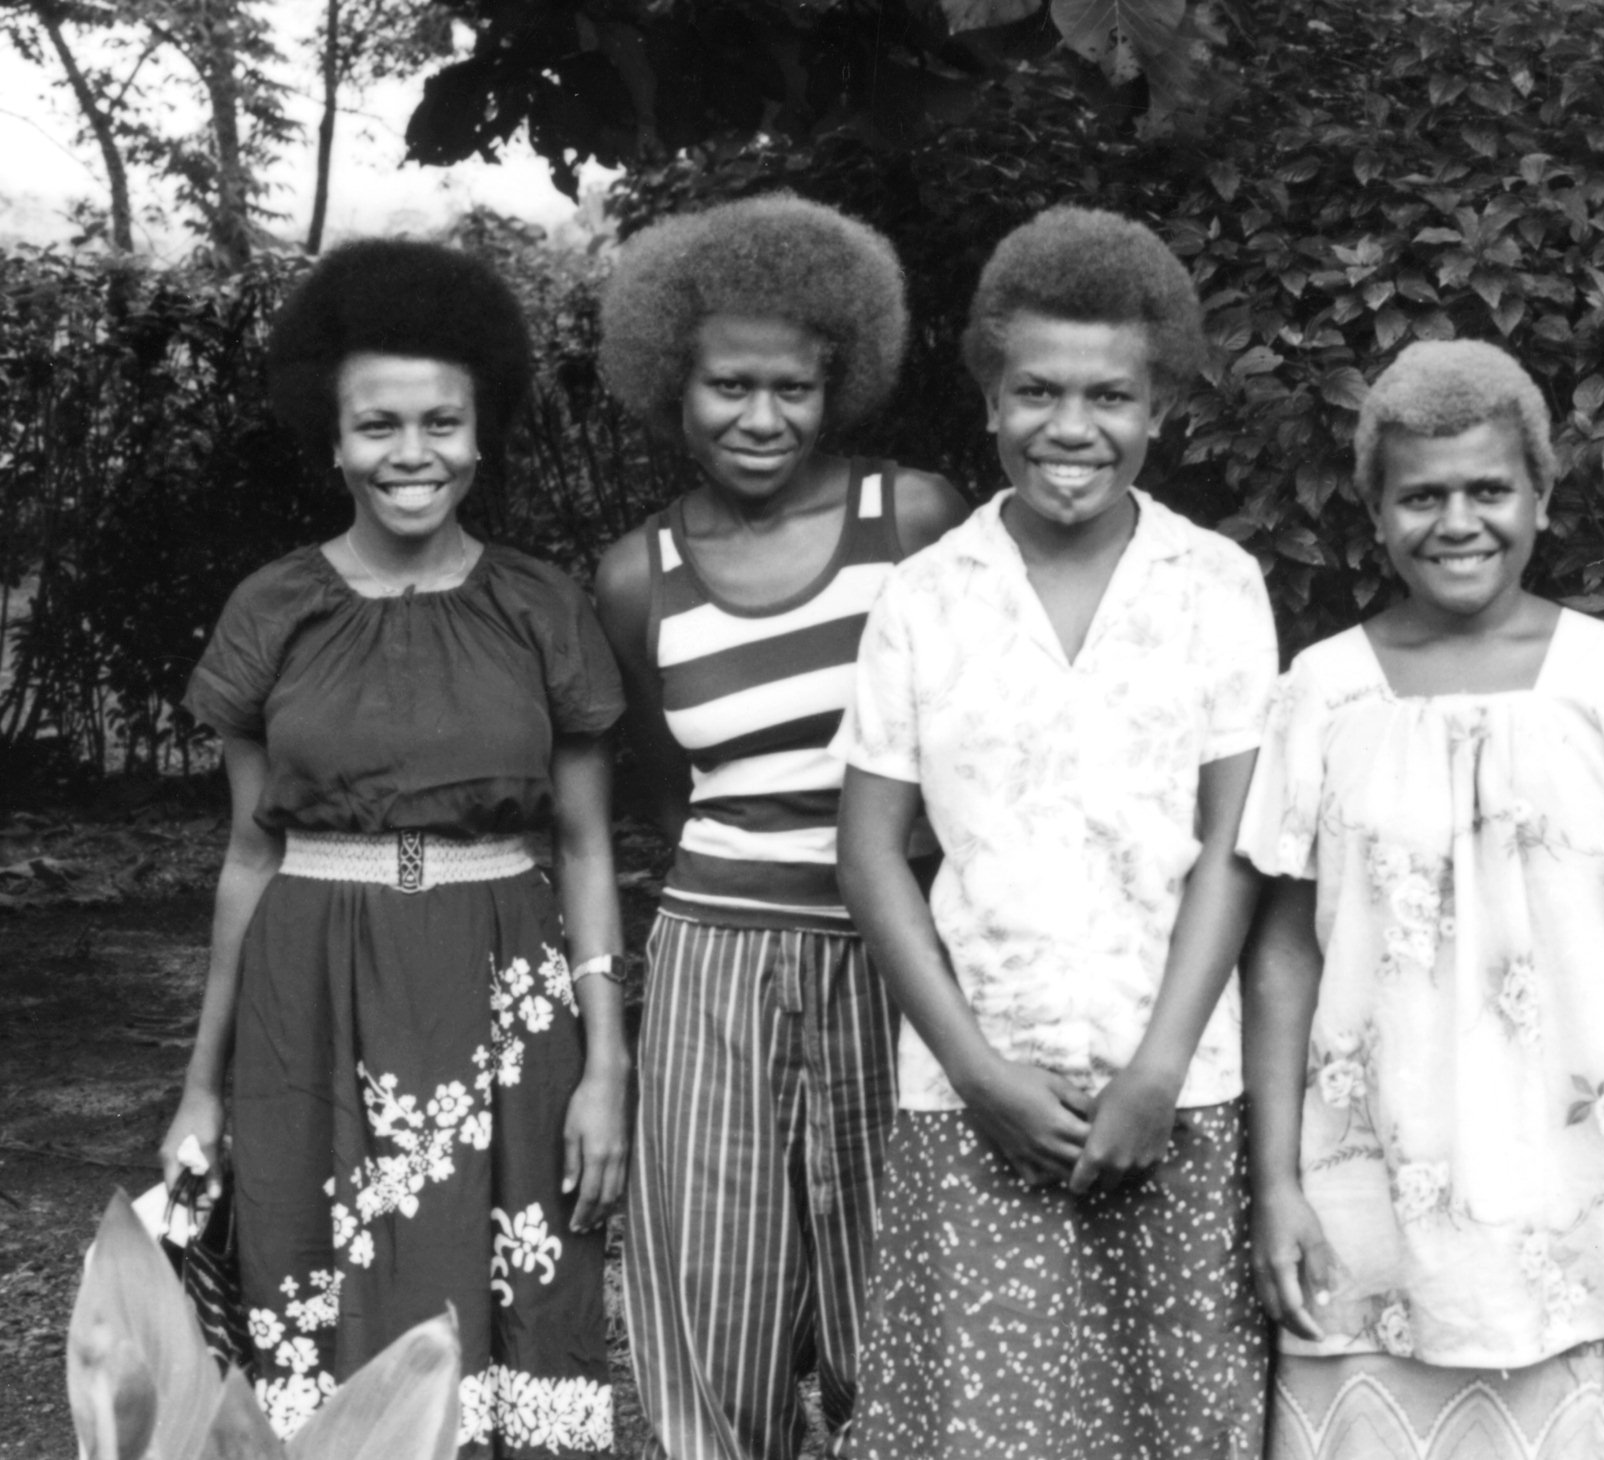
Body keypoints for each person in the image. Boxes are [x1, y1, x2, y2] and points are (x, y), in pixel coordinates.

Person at [1236, 340, 1604, 1460]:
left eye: (1488, 490)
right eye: (1421, 496)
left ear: (1540, 496)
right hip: (1365, 1190)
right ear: (1375, 512)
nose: (1457, 521)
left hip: (1584, 1191)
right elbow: (1280, 958)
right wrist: (1274, 1182)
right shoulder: (1322, 692)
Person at [160, 240, 628, 1455]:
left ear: (481, 435)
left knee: (512, 1309)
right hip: (308, 999)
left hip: (502, 995)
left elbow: (584, 848)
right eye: (378, 424)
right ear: (333, 439)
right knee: (308, 1295)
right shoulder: (275, 607)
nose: (410, 451)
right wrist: (201, 1088)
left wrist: (607, 1062)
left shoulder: (540, 606)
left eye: (440, 422)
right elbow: (249, 856)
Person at [833, 205, 1277, 1458]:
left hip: (1175, 1087)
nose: (1070, 427)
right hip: (977, 1094)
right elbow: (868, 852)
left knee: (1175, 1420)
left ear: (1158, 407)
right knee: (983, 1428)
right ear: (989, 397)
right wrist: (976, 1071)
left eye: (1109, 395)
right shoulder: (924, 598)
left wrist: (1157, 1070)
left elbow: (1233, 843)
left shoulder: (1215, 584)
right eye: (1035, 390)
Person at [591, 194, 967, 1460]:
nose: (760, 417)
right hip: (712, 963)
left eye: (791, 388)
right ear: (673, 385)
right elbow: (670, 787)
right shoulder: (636, 575)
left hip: (895, 956)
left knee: (895, 1301)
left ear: (836, 383)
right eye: (729, 386)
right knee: (716, 1307)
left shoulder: (913, 521)